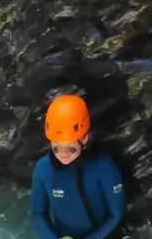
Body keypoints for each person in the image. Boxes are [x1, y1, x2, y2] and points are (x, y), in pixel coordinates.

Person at [30, 94, 126, 239]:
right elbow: (38, 214)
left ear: (84, 138)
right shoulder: (43, 169)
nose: (63, 154)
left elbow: (116, 214)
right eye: (56, 147)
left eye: (70, 148)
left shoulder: (104, 168)